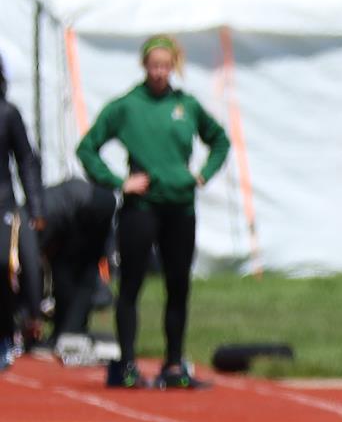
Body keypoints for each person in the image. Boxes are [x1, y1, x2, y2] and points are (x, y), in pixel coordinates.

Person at [78, 35, 230, 389]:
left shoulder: (186, 105)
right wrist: (119, 181)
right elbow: (87, 148)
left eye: (165, 66)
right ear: (144, 65)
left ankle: (174, 364)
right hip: (141, 209)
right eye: (153, 65)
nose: (159, 73)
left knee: (178, 286)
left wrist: (203, 174)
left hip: (181, 206)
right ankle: (126, 364)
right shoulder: (128, 106)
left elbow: (220, 140)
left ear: (174, 67)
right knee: (130, 284)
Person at [37, 177, 116, 348]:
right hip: (98, 203)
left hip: (88, 208)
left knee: (67, 270)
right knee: (76, 270)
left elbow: (42, 256)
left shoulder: (40, 215)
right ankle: (71, 329)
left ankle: (68, 331)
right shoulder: (44, 206)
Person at [0, 59, 43, 367]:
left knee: (5, 265)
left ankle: (6, 331)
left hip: (2, 203)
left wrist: (35, 205)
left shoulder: (8, 113)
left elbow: (26, 160)